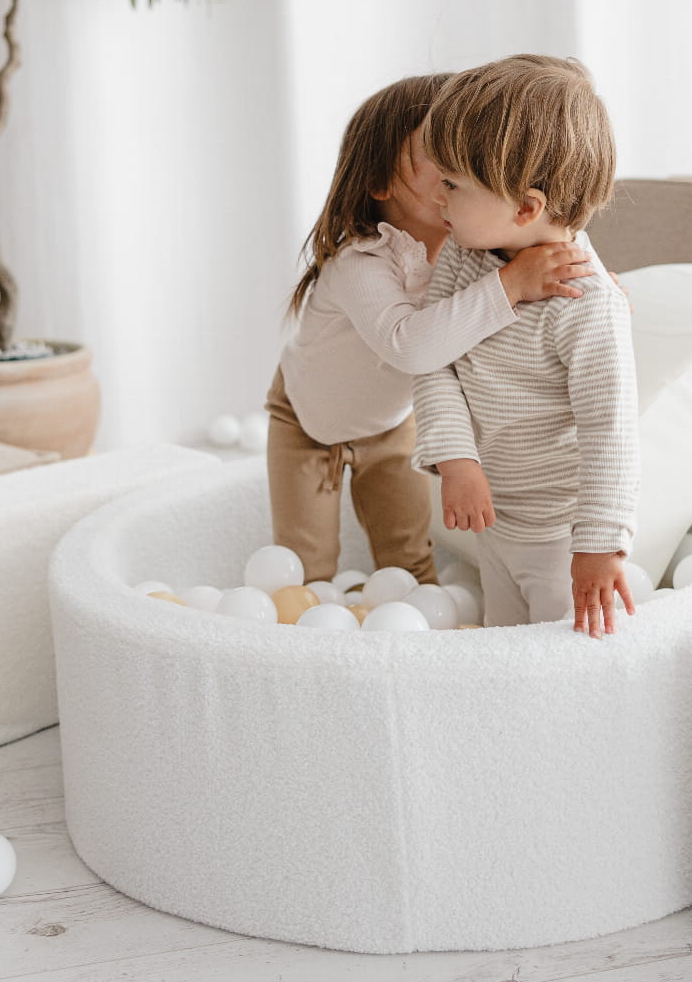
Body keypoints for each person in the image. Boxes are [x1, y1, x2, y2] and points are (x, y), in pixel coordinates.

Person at [266, 72, 599, 587]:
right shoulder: (362, 262)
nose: (456, 162)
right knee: (306, 566)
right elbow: (410, 346)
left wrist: (583, 278)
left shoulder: (472, 250)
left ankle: (415, 626)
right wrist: (512, 284)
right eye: (436, 149)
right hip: (308, 423)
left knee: (407, 556)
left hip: (392, 424)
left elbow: (545, 246)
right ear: (381, 183)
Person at [412, 54, 639, 639]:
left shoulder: (587, 304)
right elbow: (436, 360)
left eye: (452, 184)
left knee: (563, 658)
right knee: (502, 640)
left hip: (562, 535)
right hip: (498, 518)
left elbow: (611, 431)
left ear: (526, 208)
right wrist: (457, 460)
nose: (436, 196)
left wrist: (598, 546)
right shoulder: (464, 258)